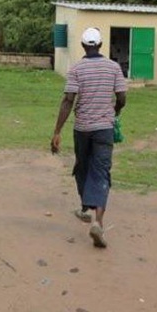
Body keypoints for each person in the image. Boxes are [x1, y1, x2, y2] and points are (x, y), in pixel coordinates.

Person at [51, 27, 127, 248]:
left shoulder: (76, 68)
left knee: (82, 167)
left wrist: (57, 131)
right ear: (101, 45)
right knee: (101, 171)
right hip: (104, 129)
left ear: (83, 46)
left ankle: (86, 209)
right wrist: (116, 110)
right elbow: (122, 97)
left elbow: (68, 100)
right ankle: (97, 221)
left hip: (82, 129)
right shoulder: (114, 67)